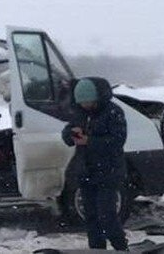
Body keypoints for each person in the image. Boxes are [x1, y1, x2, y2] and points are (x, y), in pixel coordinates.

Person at [61, 77, 129, 251]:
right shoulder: (80, 113)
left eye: (88, 102)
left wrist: (89, 141)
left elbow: (117, 141)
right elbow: (67, 134)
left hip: (108, 171)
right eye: (82, 103)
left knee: (107, 215)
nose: (85, 106)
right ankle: (97, 249)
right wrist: (71, 134)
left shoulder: (114, 112)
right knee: (91, 217)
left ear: (98, 98)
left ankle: (121, 247)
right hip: (86, 172)